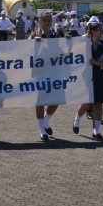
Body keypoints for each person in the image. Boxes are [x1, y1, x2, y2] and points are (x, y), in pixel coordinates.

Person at [73, 17, 103, 140]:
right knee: (87, 103)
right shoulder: (83, 42)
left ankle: (96, 130)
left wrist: (96, 63)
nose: (101, 32)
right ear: (92, 31)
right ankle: (77, 120)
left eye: (101, 29)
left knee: (98, 103)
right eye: (99, 29)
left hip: (99, 74)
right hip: (86, 74)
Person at [31, 11, 64, 141]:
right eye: (44, 20)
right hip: (40, 71)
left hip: (54, 71)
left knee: (56, 99)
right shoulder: (35, 35)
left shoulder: (57, 34)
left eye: (48, 20)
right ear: (40, 21)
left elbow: (62, 51)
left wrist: (68, 41)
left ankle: (45, 121)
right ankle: (41, 130)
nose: (46, 23)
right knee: (41, 100)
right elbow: (24, 50)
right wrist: (34, 43)